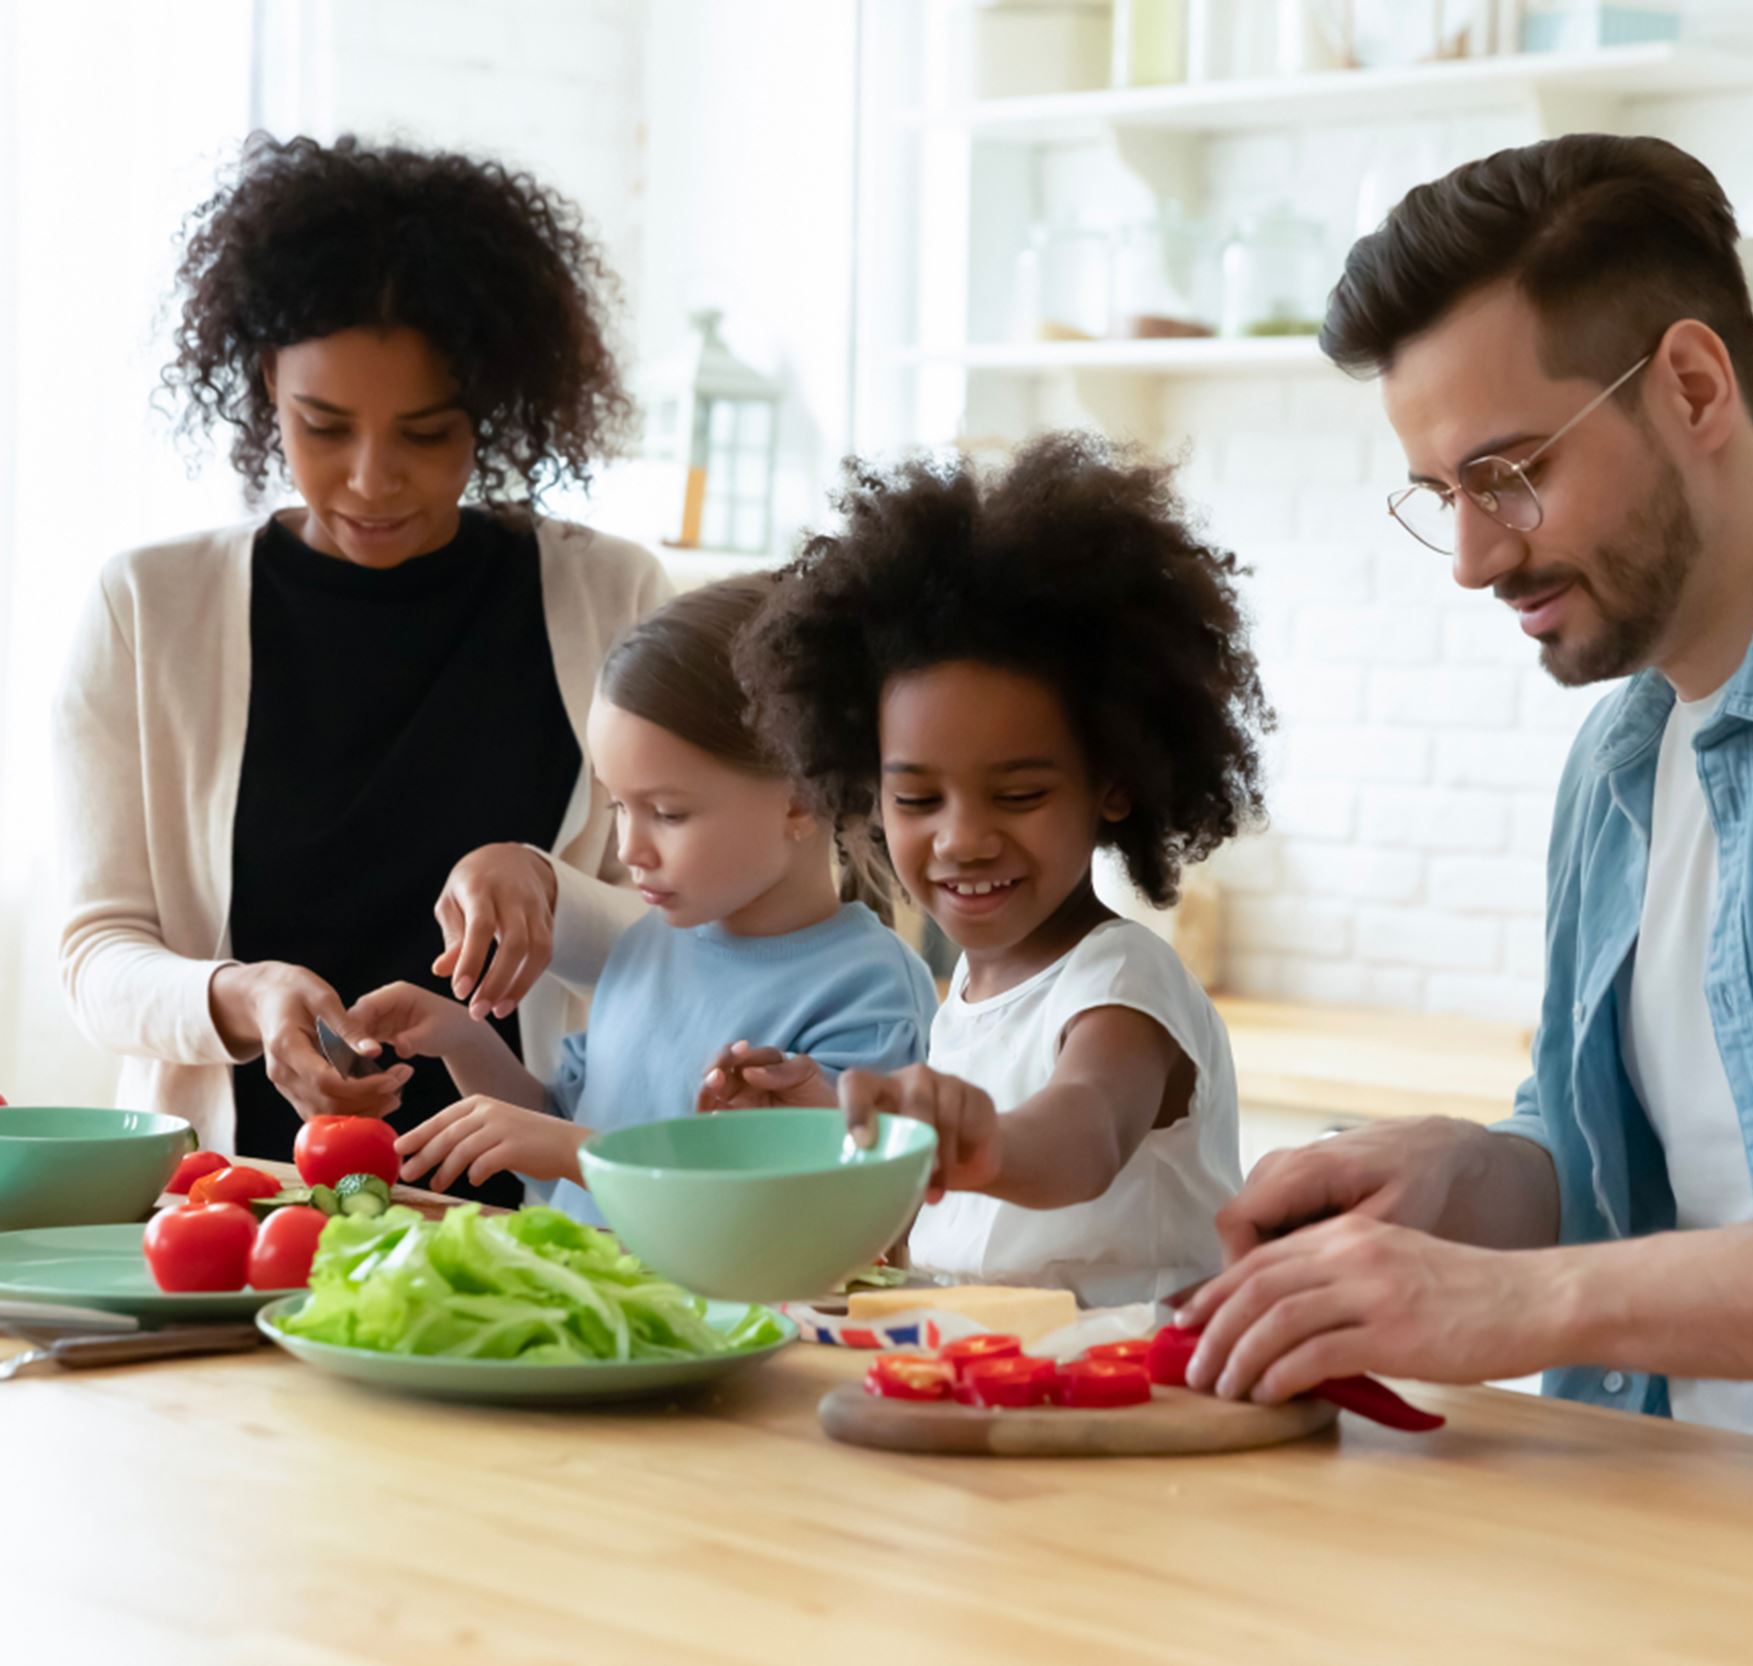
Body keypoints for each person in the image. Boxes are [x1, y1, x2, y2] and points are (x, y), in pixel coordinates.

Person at [1181, 134, 1753, 1463]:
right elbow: (1658, 1170)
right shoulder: (1620, 759)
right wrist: (1478, 1179)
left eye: (1510, 473)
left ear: (1694, 387)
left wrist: (1522, 1298)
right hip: (1660, 1538)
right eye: (1441, 496)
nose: (1470, 558)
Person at [54, 135, 668, 1203]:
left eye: (427, 434)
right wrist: (242, 996)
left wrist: (552, 889)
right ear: (262, 391)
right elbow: (97, 955)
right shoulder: (149, 608)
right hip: (236, 1210)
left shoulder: (613, 598)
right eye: (323, 427)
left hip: (536, 1223)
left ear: (495, 410)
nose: (373, 480)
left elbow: (703, 940)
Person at [730, 434, 1274, 1307]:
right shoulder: (971, 999)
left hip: (1135, 1393)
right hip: (989, 1376)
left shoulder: (1122, 983)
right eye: (918, 800)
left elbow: (1083, 1132)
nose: (963, 840)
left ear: (1115, 785)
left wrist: (978, 1138)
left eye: (1018, 794)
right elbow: (950, 1234)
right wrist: (843, 1119)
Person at [346, 575, 938, 1220]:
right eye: (618, 806)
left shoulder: (868, 992)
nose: (629, 849)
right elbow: (561, 1136)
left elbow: (813, 1213)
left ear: (800, 798)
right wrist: (462, 1038)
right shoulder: (646, 943)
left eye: (667, 812)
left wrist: (576, 1151)